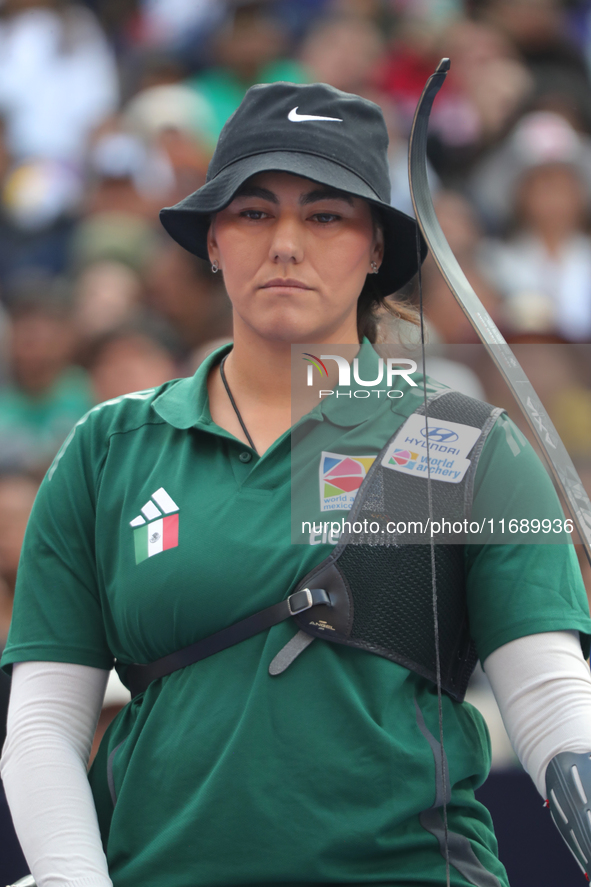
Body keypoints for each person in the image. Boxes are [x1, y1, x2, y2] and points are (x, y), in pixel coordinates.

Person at [2, 81, 591, 887]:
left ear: (376, 246)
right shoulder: (110, 448)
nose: (285, 243)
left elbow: (553, 702)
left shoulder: (458, 443)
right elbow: (41, 723)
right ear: (212, 239)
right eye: (253, 212)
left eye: (324, 215)